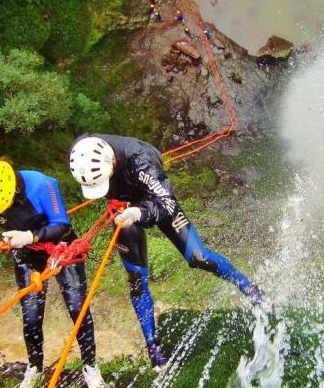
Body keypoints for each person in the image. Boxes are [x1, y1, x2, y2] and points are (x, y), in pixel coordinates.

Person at [68, 135, 269, 368]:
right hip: (122, 205)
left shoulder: (140, 162)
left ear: (112, 161)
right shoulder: (82, 152)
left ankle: (250, 289)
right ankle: (152, 344)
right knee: (136, 279)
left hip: (155, 199)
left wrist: (140, 213)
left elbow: (167, 203)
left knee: (198, 257)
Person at [0, 160, 105, 388]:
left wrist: (30, 237)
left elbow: (61, 225)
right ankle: (35, 367)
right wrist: (14, 242)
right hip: (27, 253)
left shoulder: (42, 185)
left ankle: (91, 367)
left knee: (77, 308)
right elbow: (6, 223)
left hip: (61, 248)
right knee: (31, 316)